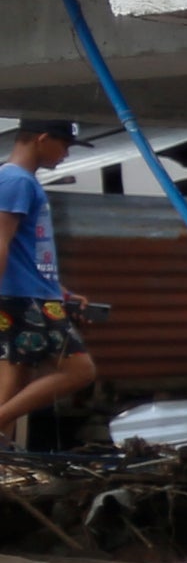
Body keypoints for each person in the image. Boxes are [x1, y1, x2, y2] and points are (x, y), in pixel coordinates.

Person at [0, 117, 95, 445]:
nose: (66, 154)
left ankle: (5, 463)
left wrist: (60, 291)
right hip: (22, 299)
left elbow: (27, 254)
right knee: (80, 370)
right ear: (42, 139)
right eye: (64, 145)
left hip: (33, 294)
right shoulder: (16, 181)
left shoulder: (20, 181)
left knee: (14, 381)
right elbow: (0, 241)